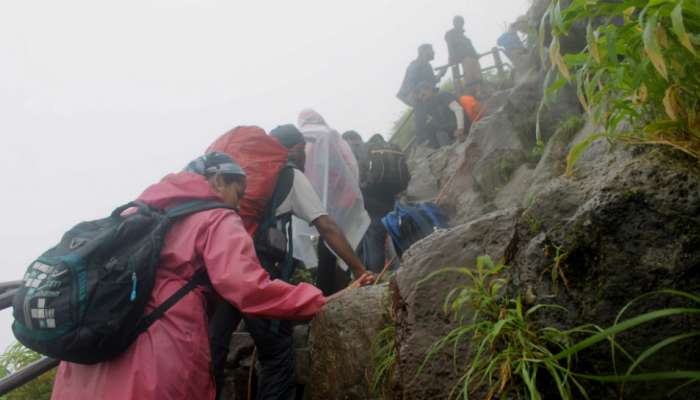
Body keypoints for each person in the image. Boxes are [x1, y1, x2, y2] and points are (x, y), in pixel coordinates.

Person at [50, 152, 365, 400]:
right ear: (217, 181)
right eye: (237, 193)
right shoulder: (216, 218)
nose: (238, 205)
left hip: (95, 349)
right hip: (159, 353)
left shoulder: (140, 211)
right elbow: (247, 287)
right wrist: (317, 299)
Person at [208, 125, 373, 400]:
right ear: (295, 149)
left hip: (222, 265)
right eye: (304, 150)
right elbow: (326, 226)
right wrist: (359, 269)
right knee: (277, 354)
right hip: (257, 271)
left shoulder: (238, 177)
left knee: (214, 347)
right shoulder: (289, 175)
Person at [294, 110, 370, 296]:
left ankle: (327, 292)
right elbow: (350, 168)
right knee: (343, 241)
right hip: (344, 200)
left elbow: (310, 174)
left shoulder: (306, 142)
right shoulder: (331, 135)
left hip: (320, 203)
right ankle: (346, 285)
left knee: (327, 244)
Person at [397, 44, 447, 148]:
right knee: (421, 118)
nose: (434, 52)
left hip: (424, 96)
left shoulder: (426, 65)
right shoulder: (415, 65)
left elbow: (431, 83)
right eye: (431, 50)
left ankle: (434, 138)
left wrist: (440, 74)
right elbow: (411, 84)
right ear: (424, 51)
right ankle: (422, 143)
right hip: (416, 97)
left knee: (436, 113)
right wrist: (419, 96)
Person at [416, 81, 470, 148]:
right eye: (421, 97)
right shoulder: (429, 105)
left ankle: (451, 149)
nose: (422, 97)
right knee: (429, 129)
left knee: (440, 134)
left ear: (430, 89)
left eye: (423, 94)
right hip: (450, 128)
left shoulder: (443, 95)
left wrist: (460, 128)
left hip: (460, 125)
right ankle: (442, 148)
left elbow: (458, 109)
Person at [445, 16, 482, 97]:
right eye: (457, 22)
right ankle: (471, 90)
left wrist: (476, 55)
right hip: (461, 58)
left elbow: (471, 48)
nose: (459, 24)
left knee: (476, 66)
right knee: (468, 64)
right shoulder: (450, 34)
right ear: (454, 23)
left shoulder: (466, 38)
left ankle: (479, 90)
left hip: (471, 57)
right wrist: (451, 58)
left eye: (461, 22)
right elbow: (450, 47)